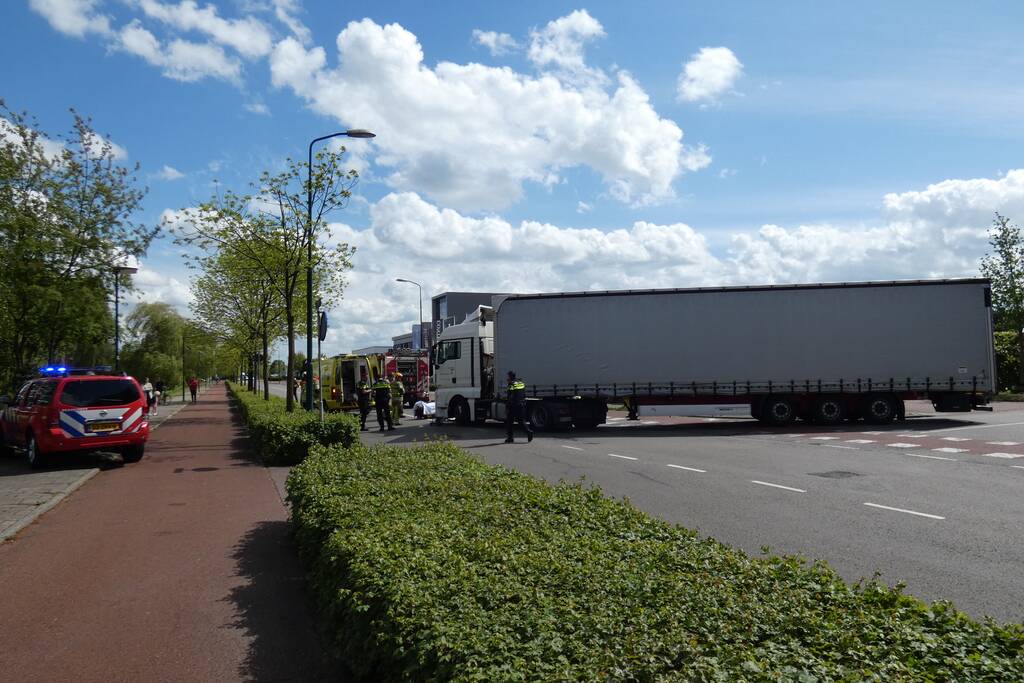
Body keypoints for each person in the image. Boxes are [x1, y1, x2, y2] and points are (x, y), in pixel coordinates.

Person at [504, 370, 533, 444]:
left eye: (508, 376)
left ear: (510, 377)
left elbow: (510, 396)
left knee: (509, 422)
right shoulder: (521, 383)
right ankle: (529, 432)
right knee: (521, 421)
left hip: (514, 405)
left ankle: (510, 438)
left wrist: (507, 406)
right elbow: (523, 393)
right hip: (522, 404)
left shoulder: (511, 385)